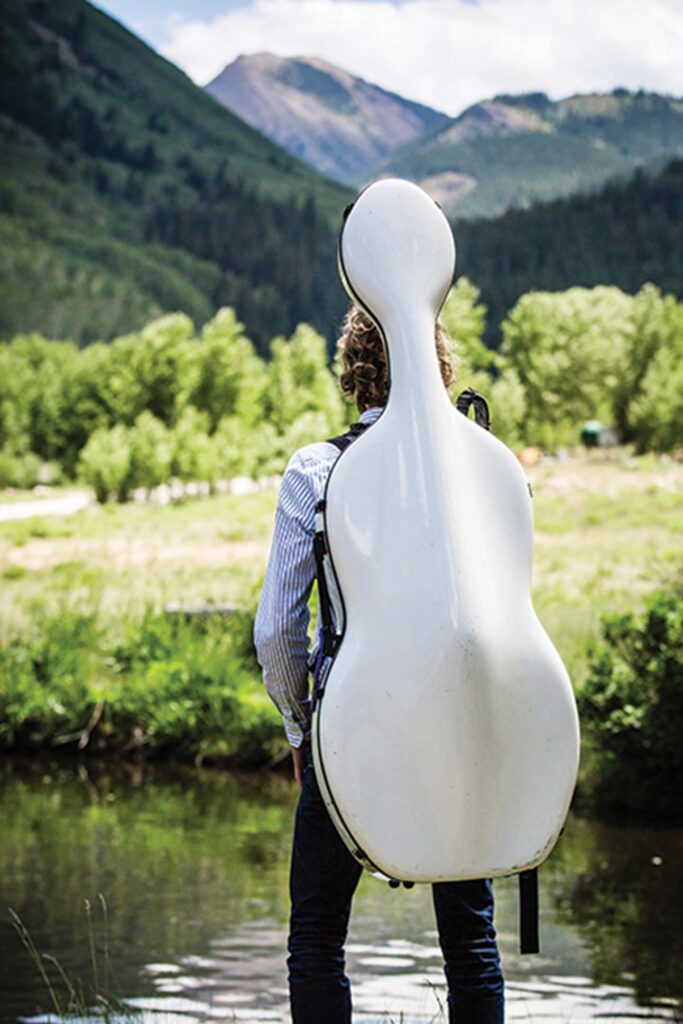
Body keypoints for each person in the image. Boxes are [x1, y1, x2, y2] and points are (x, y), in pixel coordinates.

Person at [253, 305, 505, 1024]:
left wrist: (300, 732)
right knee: (469, 935)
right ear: (439, 364)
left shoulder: (316, 468)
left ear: (353, 371)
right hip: (460, 724)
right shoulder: (478, 461)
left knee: (318, 933)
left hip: (351, 730)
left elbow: (277, 630)